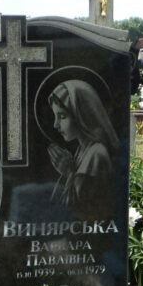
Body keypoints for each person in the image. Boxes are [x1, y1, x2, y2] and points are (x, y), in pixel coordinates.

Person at [47, 79, 119, 216]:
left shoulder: (97, 154)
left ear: (81, 115)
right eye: (55, 116)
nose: (55, 125)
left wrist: (69, 172)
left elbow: (84, 208)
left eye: (62, 116)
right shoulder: (83, 149)